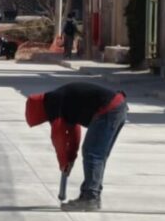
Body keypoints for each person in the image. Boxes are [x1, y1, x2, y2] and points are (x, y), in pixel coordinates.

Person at [25, 81, 127, 212]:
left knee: (93, 153)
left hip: (108, 109)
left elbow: (58, 136)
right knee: (98, 155)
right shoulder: (59, 100)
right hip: (117, 106)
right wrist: (71, 157)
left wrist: (63, 162)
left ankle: (90, 197)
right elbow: (73, 132)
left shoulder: (52, 103)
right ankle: (92, 195)